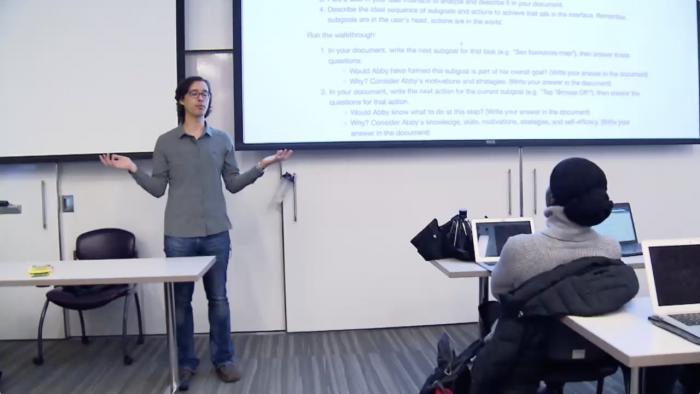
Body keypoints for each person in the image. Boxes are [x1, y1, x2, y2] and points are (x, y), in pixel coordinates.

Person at [99, 76, 292, 390]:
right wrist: (134, 169)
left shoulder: (222, 140)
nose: (201, 99)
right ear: (181, 100)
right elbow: (158, 189)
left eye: (205, 94)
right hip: (178, 236)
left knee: (219, 300)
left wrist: (263, 166)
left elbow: (233, 183)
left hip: (216, 233)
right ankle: (185, 363)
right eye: (194, 93)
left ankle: (224, 360)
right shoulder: (166, 142)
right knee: (180, 304)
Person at [491, 157, 620, 298]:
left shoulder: (520, 249)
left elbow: (500, 293)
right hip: (593, 320)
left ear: (550, 198)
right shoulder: (612, 248)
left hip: (535, 320)